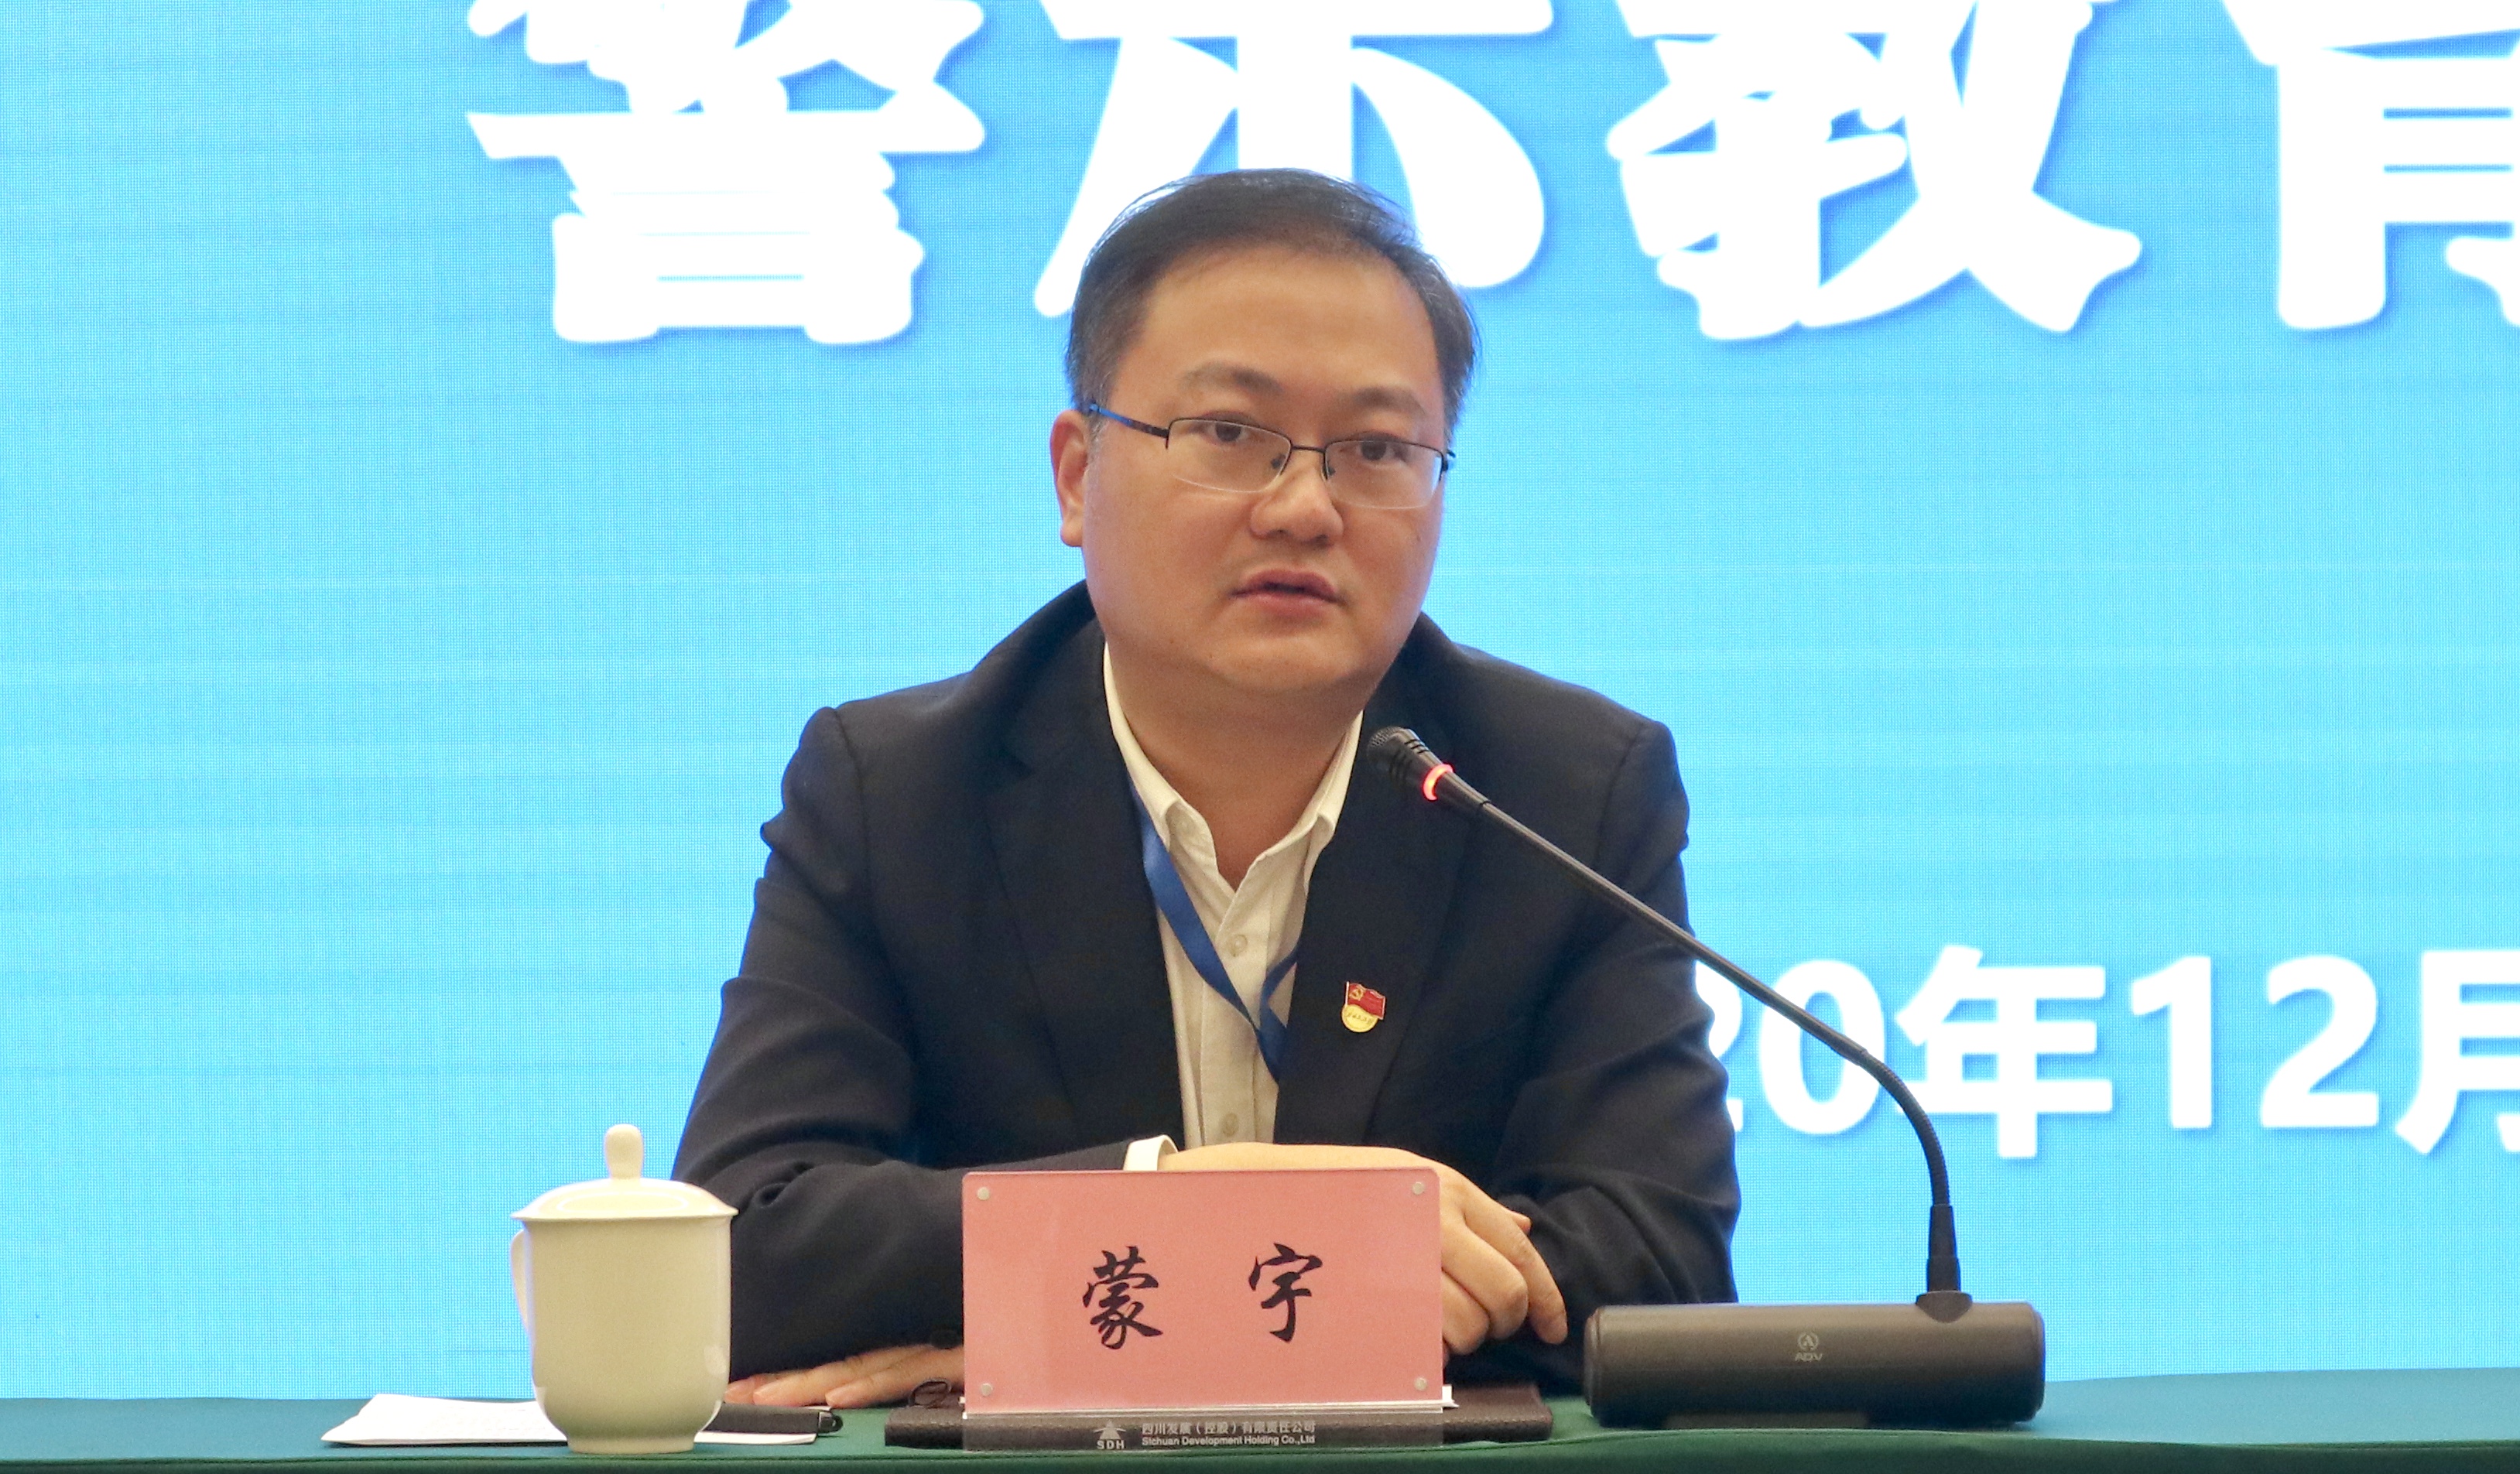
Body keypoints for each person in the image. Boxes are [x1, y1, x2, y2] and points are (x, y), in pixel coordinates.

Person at [679, 169, 1738, 1409]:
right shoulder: (899, 794)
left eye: (1378, 449)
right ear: (1076, 475)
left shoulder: (1563, 794)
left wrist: (1085, 1322)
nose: (1305, 507)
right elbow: (740, 1247)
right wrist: (1181, 1202)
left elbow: (1661, 1268)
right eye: (1231, 434)